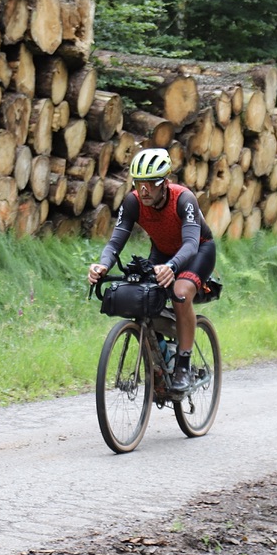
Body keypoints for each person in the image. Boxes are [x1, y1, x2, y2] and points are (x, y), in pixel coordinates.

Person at [88, 147, 216, 393]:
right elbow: (115, 243)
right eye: (139, 183)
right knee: (141, 295)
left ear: (165, 183)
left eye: (151, 184)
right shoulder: (133, 201)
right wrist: (103, 264)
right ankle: (161, 355)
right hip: (162, 252)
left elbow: (191, 244)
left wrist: (172, 267)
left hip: (198, 251)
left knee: (180, 293)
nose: (144, 190)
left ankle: (183, 365)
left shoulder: (184, 199)